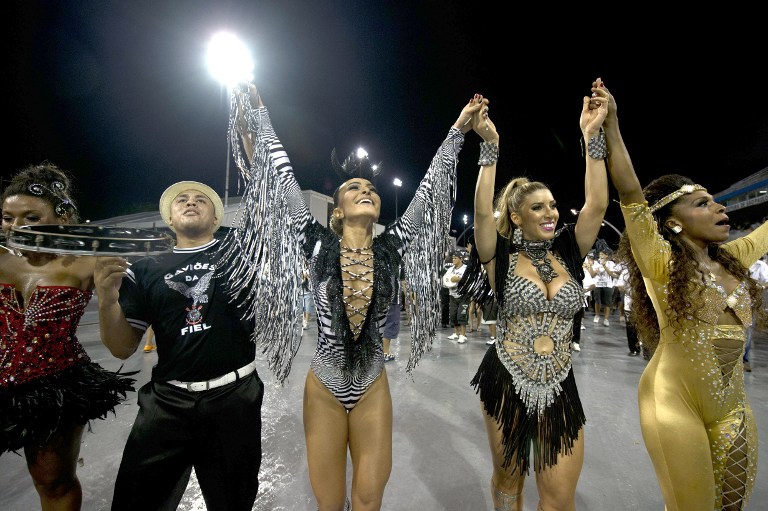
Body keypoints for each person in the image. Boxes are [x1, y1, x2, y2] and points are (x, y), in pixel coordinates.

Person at [226, 82, 484, 511]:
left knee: (367, 500)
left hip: (370, 383)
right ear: (338, 209)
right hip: (324, 384)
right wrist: (262, 114)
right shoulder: (315, 243)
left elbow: (430, 189)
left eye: (372, 188)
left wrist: (458, 129)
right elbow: (281, 178)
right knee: (329, 504)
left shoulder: (392, 245)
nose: (366, 190)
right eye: (353, 188)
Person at [599, 76, 767, 510]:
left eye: (717, 201)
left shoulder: (733, 257)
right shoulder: (662, 265)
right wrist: (612, 125)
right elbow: (632, 195)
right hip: (674, 404)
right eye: (703, 203)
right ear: (673, 222)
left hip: (733, 408)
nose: (720, 207)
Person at [466, 83, 610, 510]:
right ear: (515, 216)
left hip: (560, 382)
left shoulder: (568, 250)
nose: (551, 213)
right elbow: (479, 214)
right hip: (506, 377)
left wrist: (591, 137)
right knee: (509, 483)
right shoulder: (500, 254)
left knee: (559, 496)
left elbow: (597, 205)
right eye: (538, 207)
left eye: (552, 205)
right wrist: (490, 146)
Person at [93, 180, 265, 511]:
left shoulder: (242, 254)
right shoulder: (145, 268)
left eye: (201, 200)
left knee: (234, 501)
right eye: (181, 200)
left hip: (234, 398)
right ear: (169, 219)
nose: (190, 202)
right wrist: (107, 299)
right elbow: (122, 347)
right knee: (136, 500)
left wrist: (252, 141)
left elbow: (269, 207)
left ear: (216, 219)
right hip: (167, 402)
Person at [0, 162, 136, 511]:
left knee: (52, 480)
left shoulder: (85, 262)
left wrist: (110, 295)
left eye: (30, 217)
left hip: (54, 384)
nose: (15, 226)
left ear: (60, 219)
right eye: (7, 217)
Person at [744, 254, 768, 371]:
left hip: (751, 304)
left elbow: (767, 282)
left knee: (748, 331)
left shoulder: (761, 266)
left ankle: (745, 360)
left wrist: (758, 286)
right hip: (733, 301)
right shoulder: (737, 263)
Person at [442, 249, 470, 344]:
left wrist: (458, 279)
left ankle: (463, 335)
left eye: (455, 258)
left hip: (463, 296)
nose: (453, 260)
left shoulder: (466, 268)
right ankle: (456, 333)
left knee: (461, 315)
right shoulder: (451, 269)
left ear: (461, 259)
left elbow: (468, 280)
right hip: (452, 295)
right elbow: (445, 279)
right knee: (453, 315)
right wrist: (447, 282)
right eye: (453, 258)